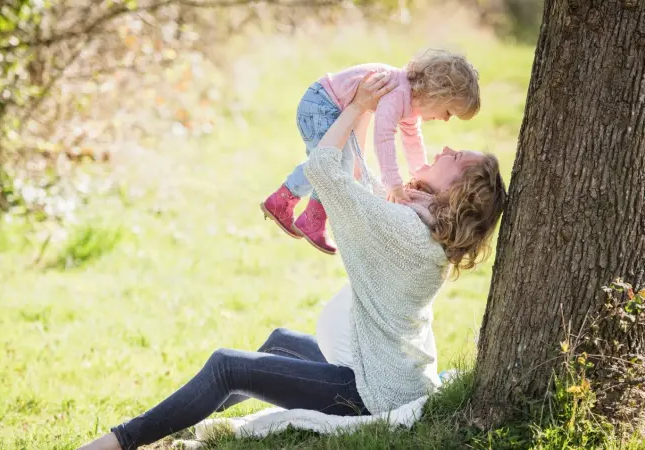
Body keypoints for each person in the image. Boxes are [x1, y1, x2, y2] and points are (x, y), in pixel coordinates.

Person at [79, 72, 505, 450]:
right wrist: (365, 115)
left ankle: (120, 441)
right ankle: (175, 423)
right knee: (279, 341)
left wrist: (357, 105)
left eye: (457, 159)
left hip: (367, 390)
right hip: (375, 368)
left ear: (458, 193)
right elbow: (365, 184)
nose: (447, 147)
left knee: (228, 365)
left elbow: (324, 167)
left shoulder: (403, 230)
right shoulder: (419, 222)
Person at [261, 49, 480, 255]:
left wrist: (419, 172)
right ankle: (307, 215)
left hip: (327, 106)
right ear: (437, 93)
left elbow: (412, 140)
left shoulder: (410, 102)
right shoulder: (397, 93)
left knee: (334, 163)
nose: (445, 119)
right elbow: (383, 137)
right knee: (333, 163)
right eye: (449, 112)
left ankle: (290, 205)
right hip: (320, 105)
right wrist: (393, 183)